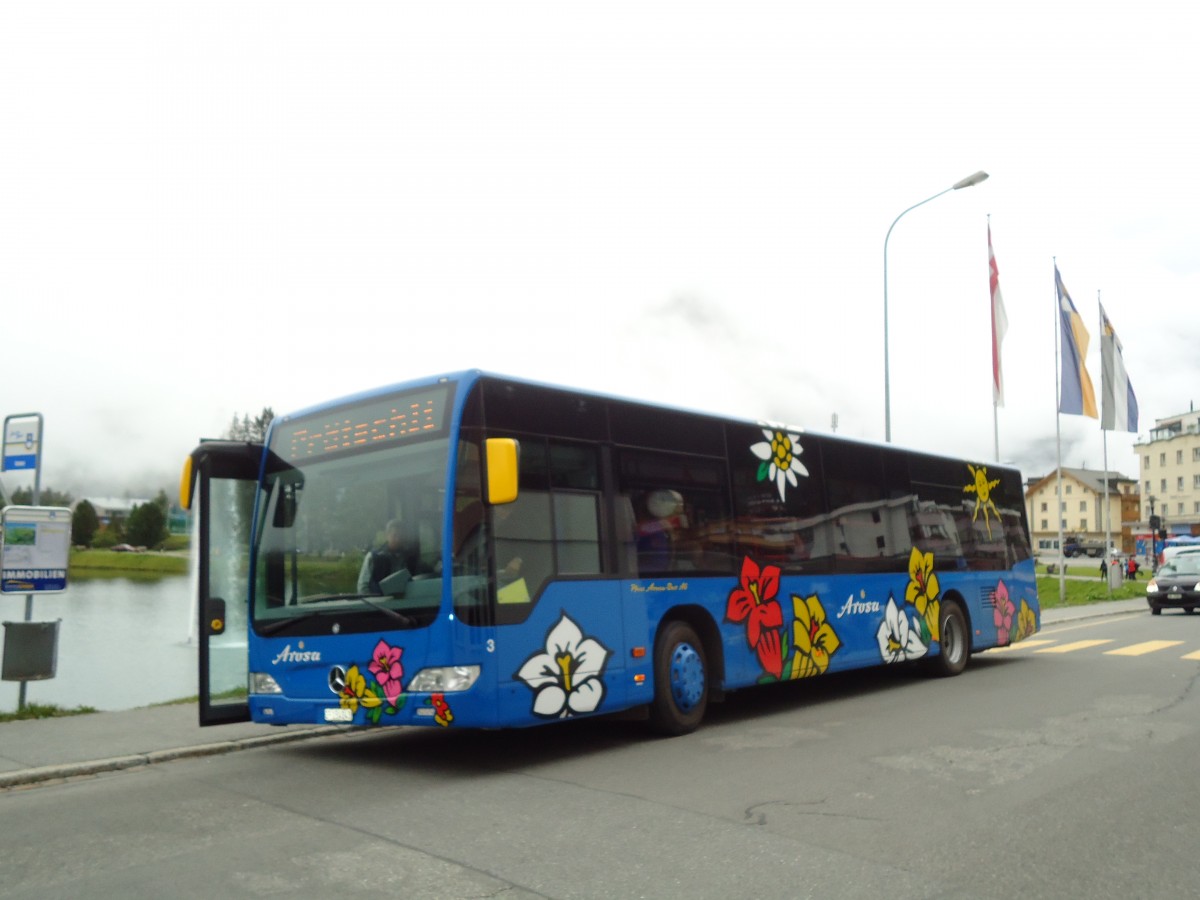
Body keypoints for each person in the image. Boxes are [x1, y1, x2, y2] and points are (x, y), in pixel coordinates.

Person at [357, 519, 433, 595]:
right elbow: (363, 588)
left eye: (401, 536)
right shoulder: (373, 557)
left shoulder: (411, 558)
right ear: (387, 535)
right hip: (380, 603)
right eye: (395, 535)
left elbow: (422, 578)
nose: (398, 539)